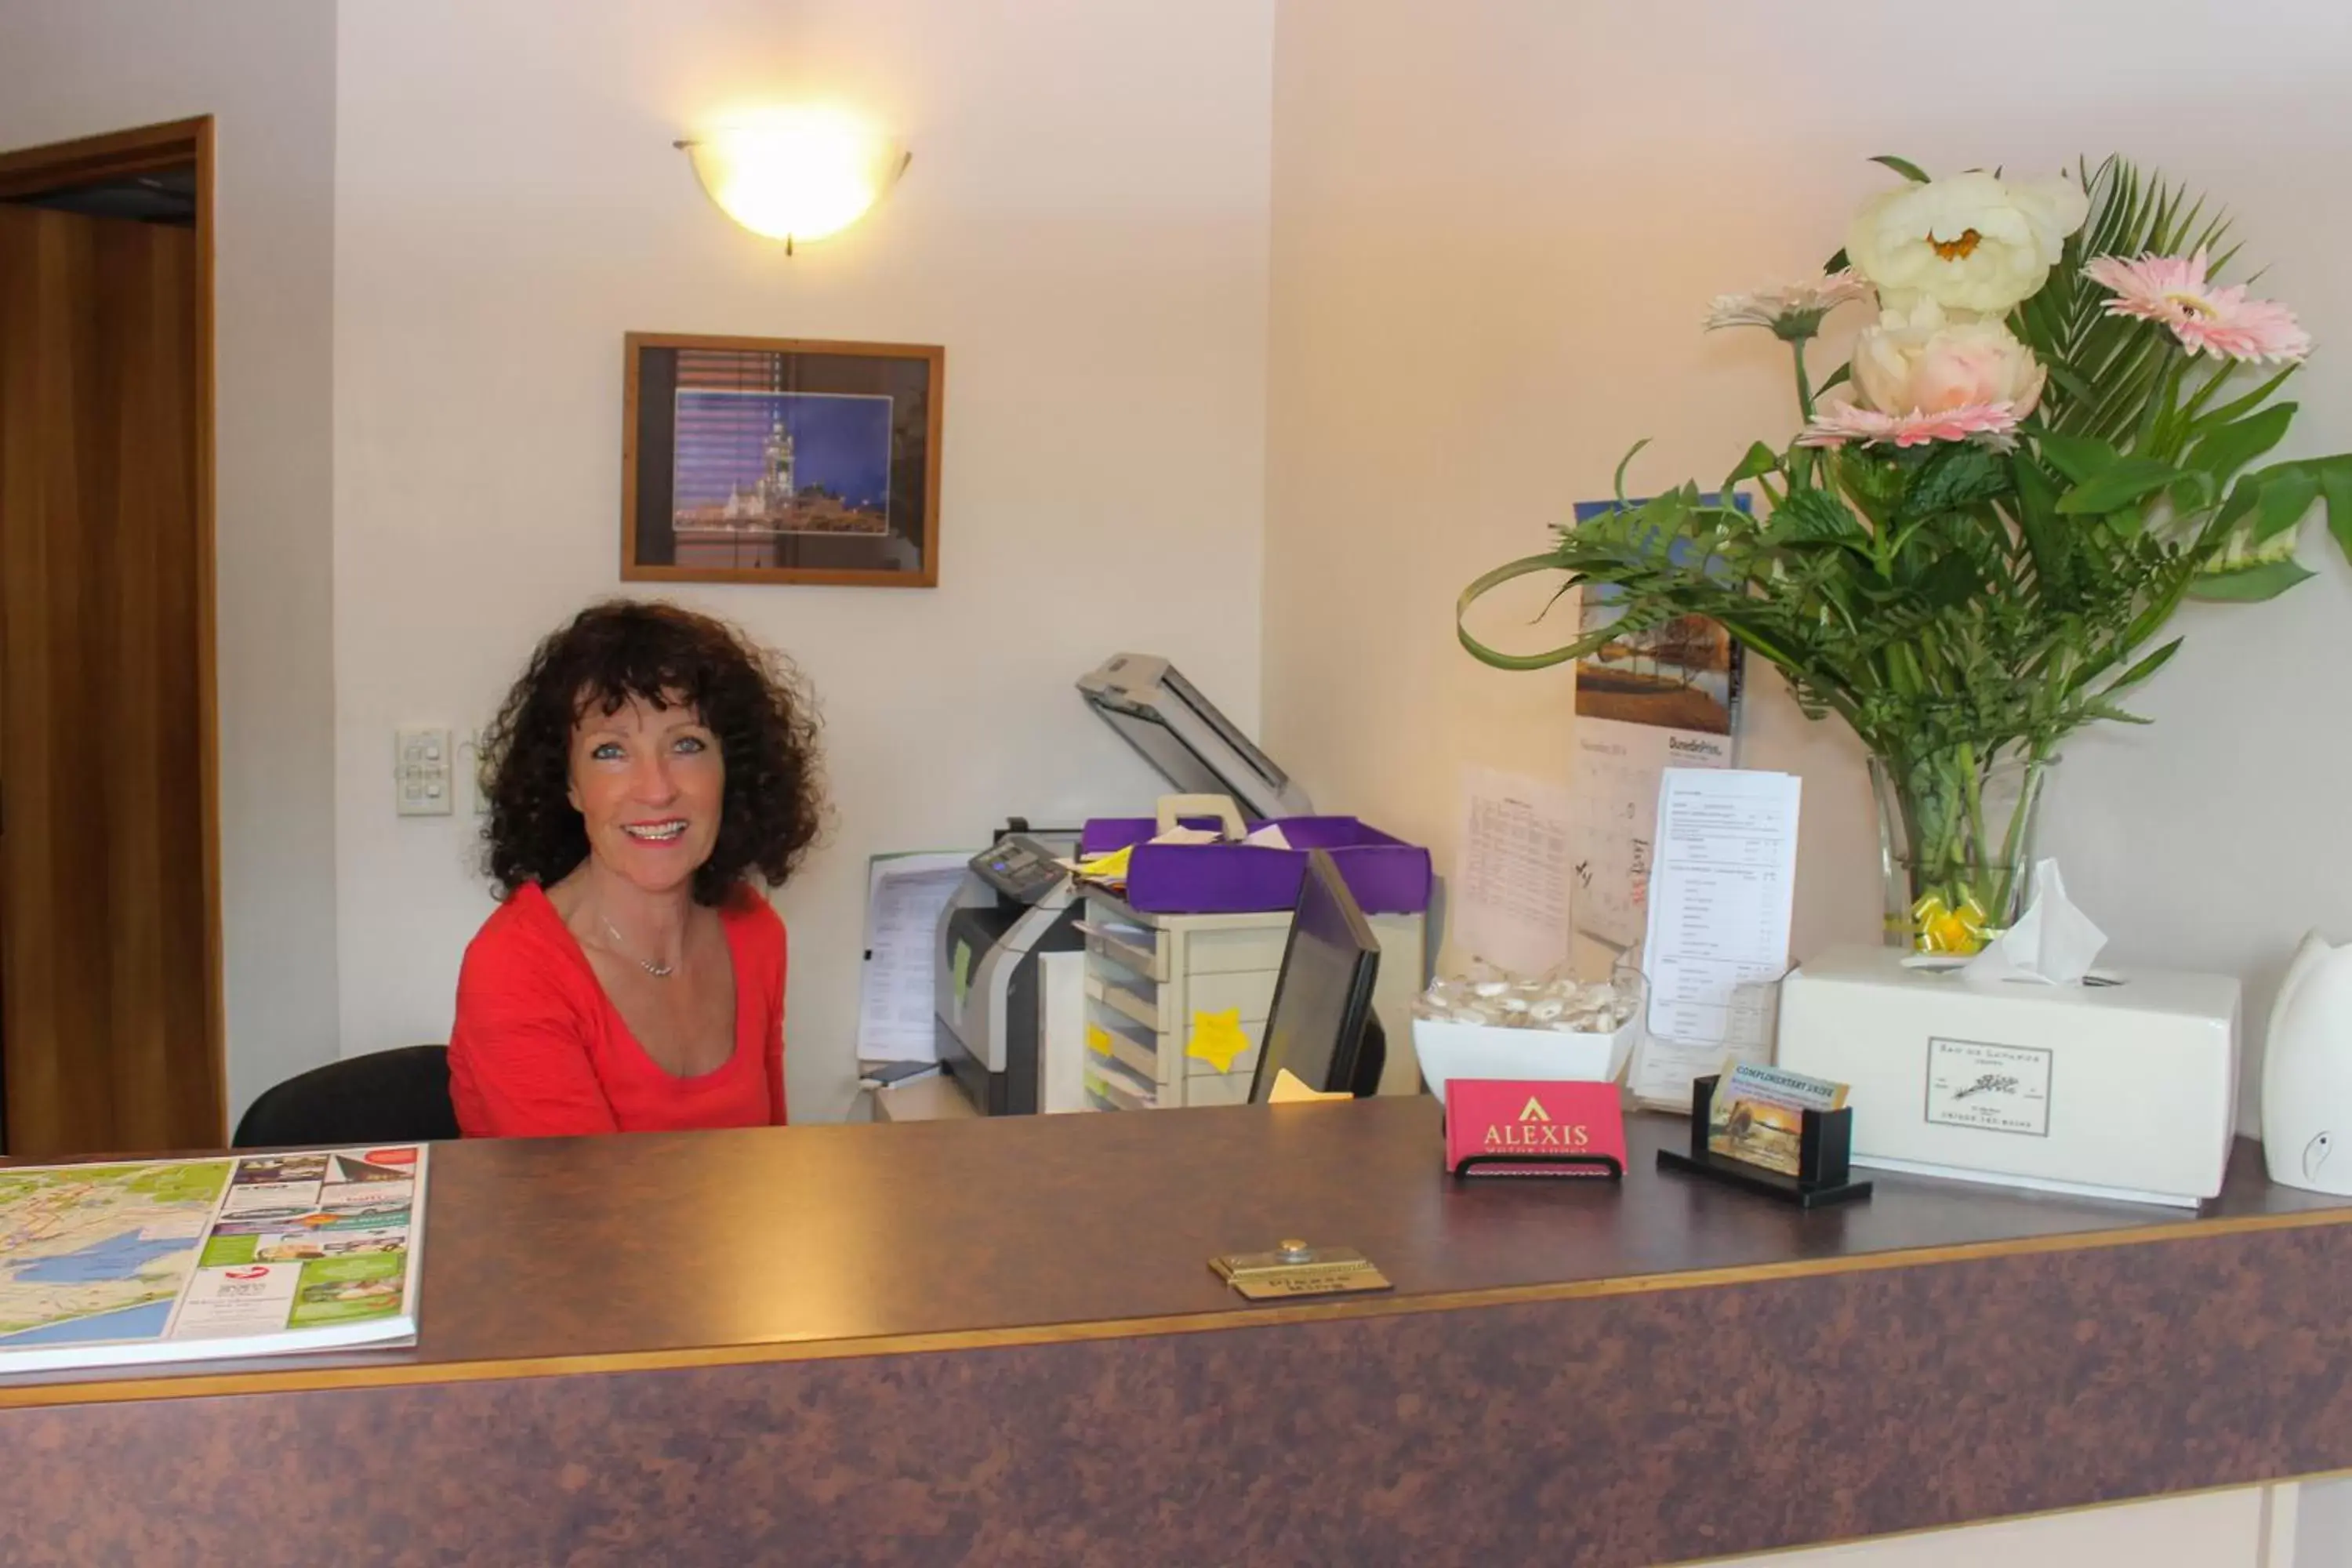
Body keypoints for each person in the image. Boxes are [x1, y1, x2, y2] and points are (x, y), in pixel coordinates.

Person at [448, 601, 823, 1138]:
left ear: (731, 770)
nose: (657, 789)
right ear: (569, 785)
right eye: (611, 752)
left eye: (687, 745)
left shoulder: (754, 929)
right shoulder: (515, 970)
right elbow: (584, 1213)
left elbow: (766, 1161)